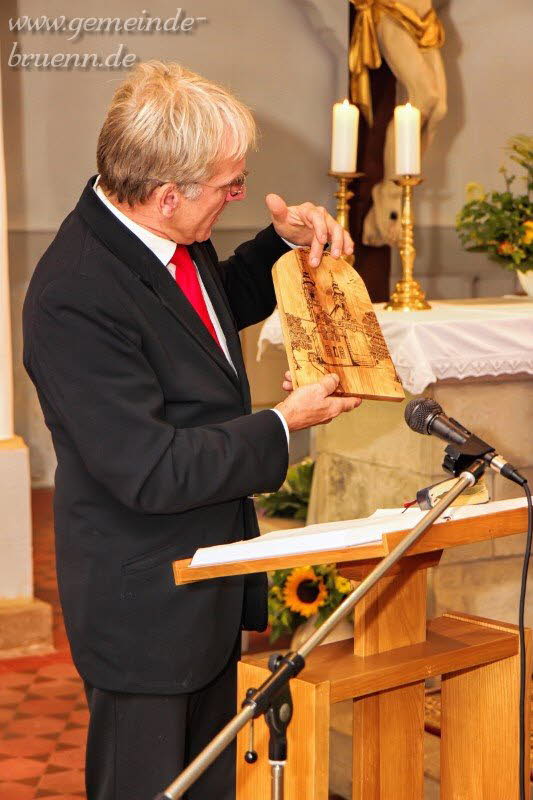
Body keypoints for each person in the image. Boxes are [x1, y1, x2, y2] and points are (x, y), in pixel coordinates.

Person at [22, 61, 361, 800]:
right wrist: (282, 422)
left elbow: (201, 320)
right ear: (166, 193)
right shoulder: (75, 293)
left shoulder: (157, 234)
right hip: (144, 603)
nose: (236, 196)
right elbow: (148, 469)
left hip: (203, 578)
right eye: (228, 186)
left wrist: (275, 242)